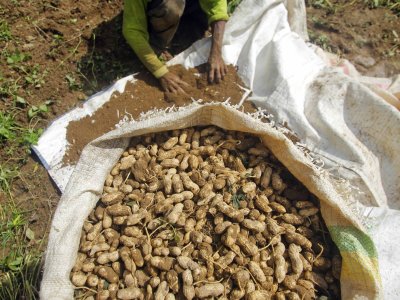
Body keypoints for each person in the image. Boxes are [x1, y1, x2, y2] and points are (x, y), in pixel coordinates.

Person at [123, 0, 229, 94]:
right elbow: (133, 30)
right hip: (160, 8)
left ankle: (190, 28)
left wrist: (216, 53)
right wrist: (160, 72)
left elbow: (217, 4)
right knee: (172, 7)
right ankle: (159, 43)